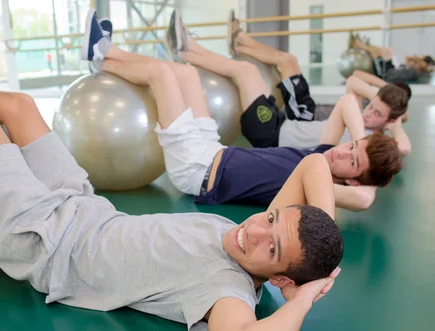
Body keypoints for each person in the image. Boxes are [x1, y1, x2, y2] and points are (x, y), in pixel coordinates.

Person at [0, 4, 343, 331]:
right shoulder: (248, 236)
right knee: (19, 104)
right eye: (272, 219)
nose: (256, 229)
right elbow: (315, 163)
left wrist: (305, 296)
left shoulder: (227, 291)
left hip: (43, 240)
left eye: (273, 248)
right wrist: (316, 257)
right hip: (84, 206)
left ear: (278, 280)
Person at [87, 10, 402, 211]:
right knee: (187, 73)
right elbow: (348, 102)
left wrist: (368, 166)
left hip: (197, 170)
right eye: (349, 147)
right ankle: (105, 56)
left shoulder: (324, 186)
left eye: (352, 162)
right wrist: (363, 145)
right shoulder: (325, 152)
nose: (342, 154)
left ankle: (103, 54)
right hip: (213, 149)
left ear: (356, 181)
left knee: (163, 76)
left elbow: (364, 199)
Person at [193, 10, 412, 156]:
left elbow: (403, 147)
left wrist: (395, 124)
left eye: (377, 115)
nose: (368, 113)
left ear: (388, 121)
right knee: (276, 64)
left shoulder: (367, 139)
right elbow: (354, 79)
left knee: (249, 69)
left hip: (279, 130)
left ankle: (190, 50)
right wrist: (381, 96)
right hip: (285, 121)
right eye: (371, 107)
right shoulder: (356, 114)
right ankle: (234, 45)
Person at [349, 33, 434, 82]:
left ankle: (360, 44)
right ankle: (363, 44)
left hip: (387, 74)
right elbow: (407, 61)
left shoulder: (417, 70)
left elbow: (408, 58)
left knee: (382, 52)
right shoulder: (416, 70)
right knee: (385, 51)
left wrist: (417, 59)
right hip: (391, 70)